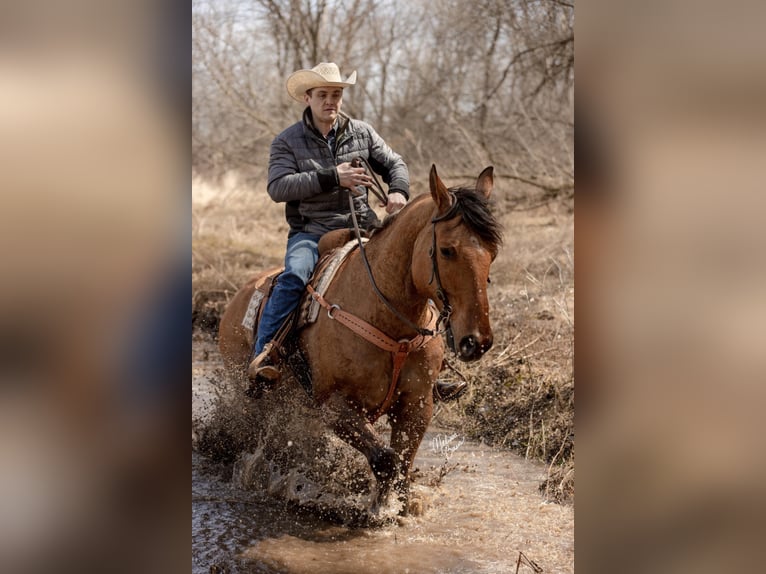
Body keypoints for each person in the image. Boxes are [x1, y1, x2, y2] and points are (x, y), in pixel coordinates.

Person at [248, 62, 466, 402]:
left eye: (336, 94)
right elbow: (278, 187)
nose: (330, 101)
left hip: (364, 227)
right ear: (308, 98)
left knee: (415, 272)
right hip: (311, 231)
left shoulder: (361, 133)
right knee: (294, 275)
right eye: (323, 95)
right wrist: (333, 177)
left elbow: (395, 163)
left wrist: (398, 191)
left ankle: (433, 367)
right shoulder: (287, 142)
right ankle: (263, 357)